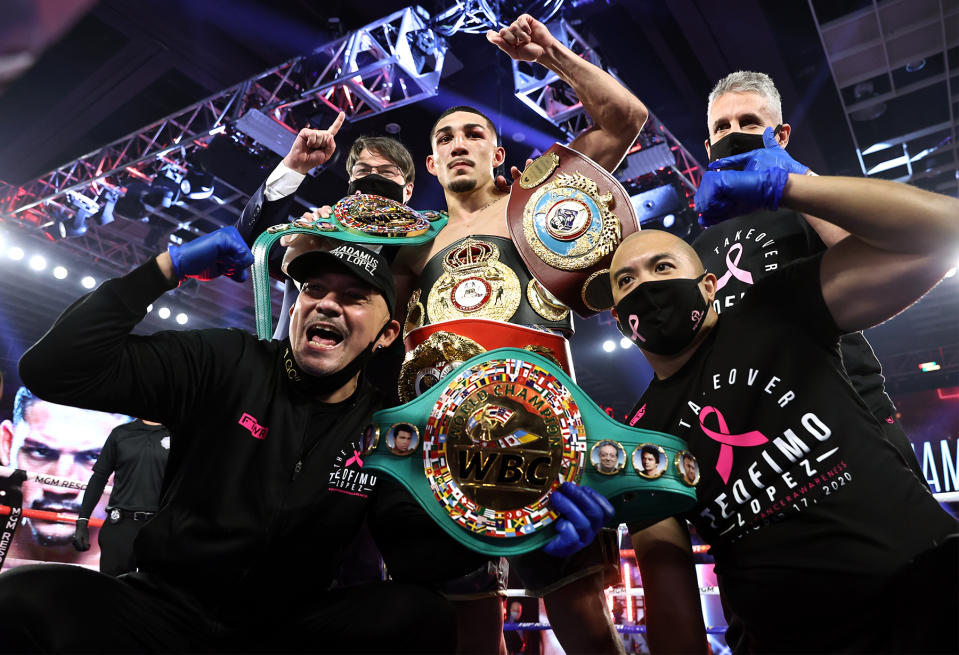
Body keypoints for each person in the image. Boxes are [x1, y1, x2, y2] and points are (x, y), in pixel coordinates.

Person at [0, 227, 470, 653]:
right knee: (21, 598)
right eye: (314, 289)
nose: (327, 303)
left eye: (353, 297)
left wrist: (502, 515)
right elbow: (53, 369)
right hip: (162, 610)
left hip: (285, 629)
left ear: (387, 334)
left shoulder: (385, 428)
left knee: (419, 614)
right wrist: (166, 269)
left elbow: (418, 560)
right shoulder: (225, 361)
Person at [608, 153, 959, 652]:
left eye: (663, 266)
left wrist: (793, 187)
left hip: (929, 595)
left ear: (710, 286)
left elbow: (945, 229)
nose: (646, 284)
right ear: (621, 321)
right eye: (627, 281)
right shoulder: (643, 436)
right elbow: (672, 610)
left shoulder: (775, 307)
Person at [385, 15, 649, 654]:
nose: (457, 143)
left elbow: (624, 119)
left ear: (496, 152)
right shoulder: (411, 250)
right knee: (469, 631)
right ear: (430, 160)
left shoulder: (536, 206)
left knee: (584, 622)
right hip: (446, 448)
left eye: (472, 133)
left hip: (545, 439)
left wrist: (552, 54)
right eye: (444, 136)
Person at [687, 70, 926, 486]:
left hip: (853, 417)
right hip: (766, 447)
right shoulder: (695, 248)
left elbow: (880, 251)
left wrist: (794, 180)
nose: (734, 134)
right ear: (708, 147)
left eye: (749, 123)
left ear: (780, 136)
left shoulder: (814, 203)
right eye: (721, 127)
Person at [0, 386, 127, 570]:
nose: (59, 488)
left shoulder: (147, 565)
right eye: (40, 451)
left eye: (95, 457)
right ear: (7, 444)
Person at [72, 418, 170, 576]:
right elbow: (99, 478)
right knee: (112, 591)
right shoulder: (121, 433)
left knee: (155, 593)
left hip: (160, 526)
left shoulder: (179, 436)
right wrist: (82, 521)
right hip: (121, 524)